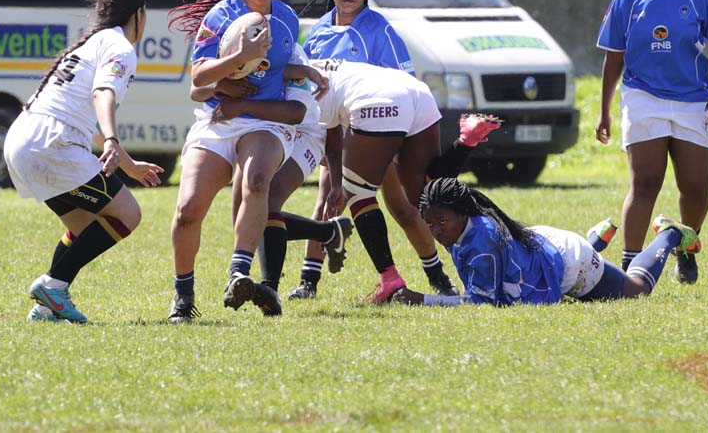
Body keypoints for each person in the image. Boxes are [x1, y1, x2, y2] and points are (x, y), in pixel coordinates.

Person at [210, 56, 499, 306]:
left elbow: (316, 129)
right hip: (415, 92)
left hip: (375, 100)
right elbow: (333, 138)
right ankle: (466, 141)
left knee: (359, 195)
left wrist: (341, 186)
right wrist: (337, 182)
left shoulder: (276, 86)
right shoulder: (304, 65)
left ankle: (390, 280)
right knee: (424, 196)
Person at [288, 0, 459, 301]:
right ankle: (309, 282)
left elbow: (402, 82)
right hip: (337, 127)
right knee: (327, 198)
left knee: (404, 207)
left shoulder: (378, 28)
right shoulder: (318, 31)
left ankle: (438, 276)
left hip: (380, 129)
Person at [3, 0, 163, 324]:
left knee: (84, 224)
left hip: (26, 139)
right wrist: (112, 140)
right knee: (127, 215)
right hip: (50, 145)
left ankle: (47, 306)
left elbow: (72, 113)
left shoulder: (92, 41)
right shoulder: (119, 47)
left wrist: (128, 164)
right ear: (138, 14)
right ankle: (53, 286)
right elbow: (103, 93)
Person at [164, 0, 303, 322]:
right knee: (188, 210)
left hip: (263, 121)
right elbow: (198, 77)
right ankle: (183, 296)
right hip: (217, 119)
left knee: (257, 180)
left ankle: (238, 273)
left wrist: (304, 70)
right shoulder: (221, 17)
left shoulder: (288, 18)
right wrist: (240, 59)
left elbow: (279, 66)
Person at [595, 0, 708, 284]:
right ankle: (629, 267)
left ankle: (685, 249)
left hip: (693, 100)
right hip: (643, 98)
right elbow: (614, 58)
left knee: (696, 189)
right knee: (645, 183)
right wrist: (604, 111)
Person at [391, 178, 700, 306]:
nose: (435, 230)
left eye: (441, 222)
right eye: (429, 223)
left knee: (637, 289)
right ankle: (596, 239)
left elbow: (480, 304)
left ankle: (669, 233)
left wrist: (421, 299)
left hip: (569, 262)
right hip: (543, 245)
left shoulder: (483, 244)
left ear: (462, 214)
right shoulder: (463, 226)